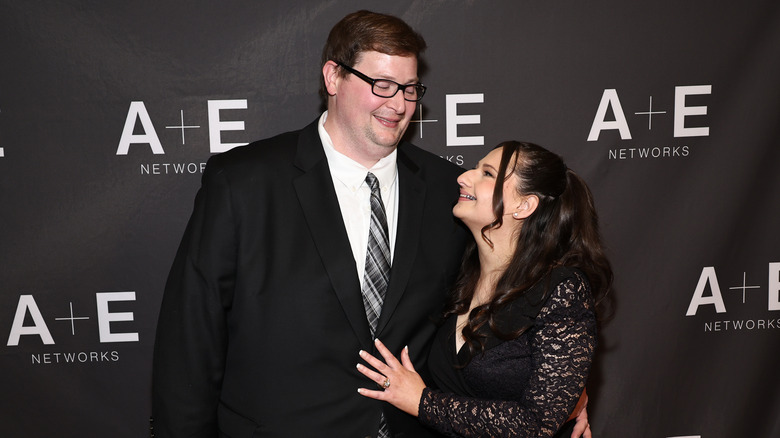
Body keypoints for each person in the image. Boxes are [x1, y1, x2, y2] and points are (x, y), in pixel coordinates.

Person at [152, 9, 590, 438]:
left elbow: (512, 293)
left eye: (410, 88)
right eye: (381, 85)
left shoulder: (447, 192)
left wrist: (566, 388)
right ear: (333, 78)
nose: (398, 104)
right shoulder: (244, 182)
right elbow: (191, 337)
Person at [356, 141, 612, 438]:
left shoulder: (561, 289)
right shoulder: (458, 273)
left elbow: (536, 424)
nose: (464, 177)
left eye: (488, 174)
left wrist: (422, 402)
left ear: (523, 205)